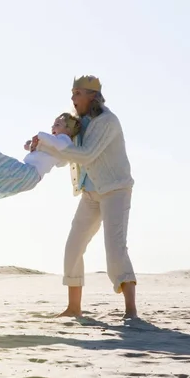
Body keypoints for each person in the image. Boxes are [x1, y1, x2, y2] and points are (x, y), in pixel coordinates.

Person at [34, 75, 137, 319]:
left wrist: (50, 146)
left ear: (93, 95)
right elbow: (66, 155)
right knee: (73, 248)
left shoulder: (107, 121)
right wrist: (41, 146)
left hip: (115, 190)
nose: (72, 97)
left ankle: (131, 311)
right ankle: (74, 309)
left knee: (115, 250)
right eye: (72, 93)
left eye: (77, 93)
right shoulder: (79, 123)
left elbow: (86, 154)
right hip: (91, 193)